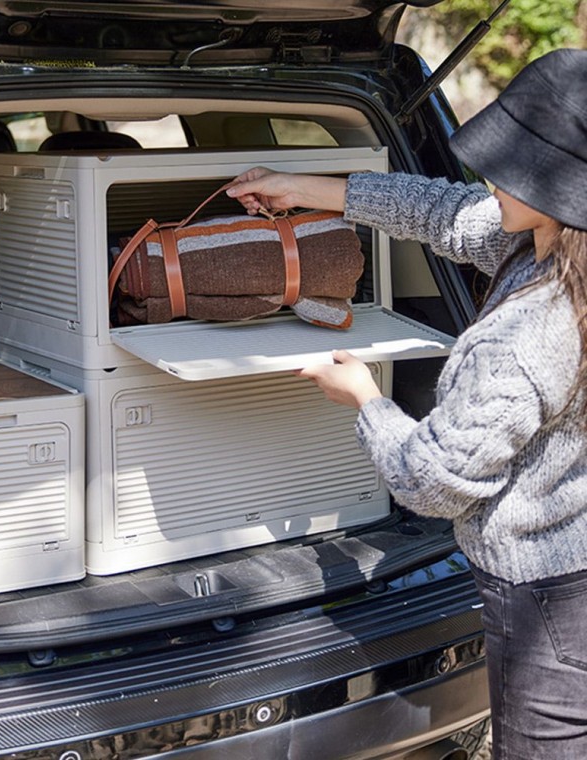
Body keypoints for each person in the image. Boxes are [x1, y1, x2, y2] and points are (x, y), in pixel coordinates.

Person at [227, 48, 587, 760]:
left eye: (509, 166)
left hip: (545, 598)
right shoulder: (551, 250)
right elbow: (443, 213)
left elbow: (434, 480)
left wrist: (363, 397)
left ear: (558, 190)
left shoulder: (527, 335)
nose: (489, 177)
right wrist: (296, 184)